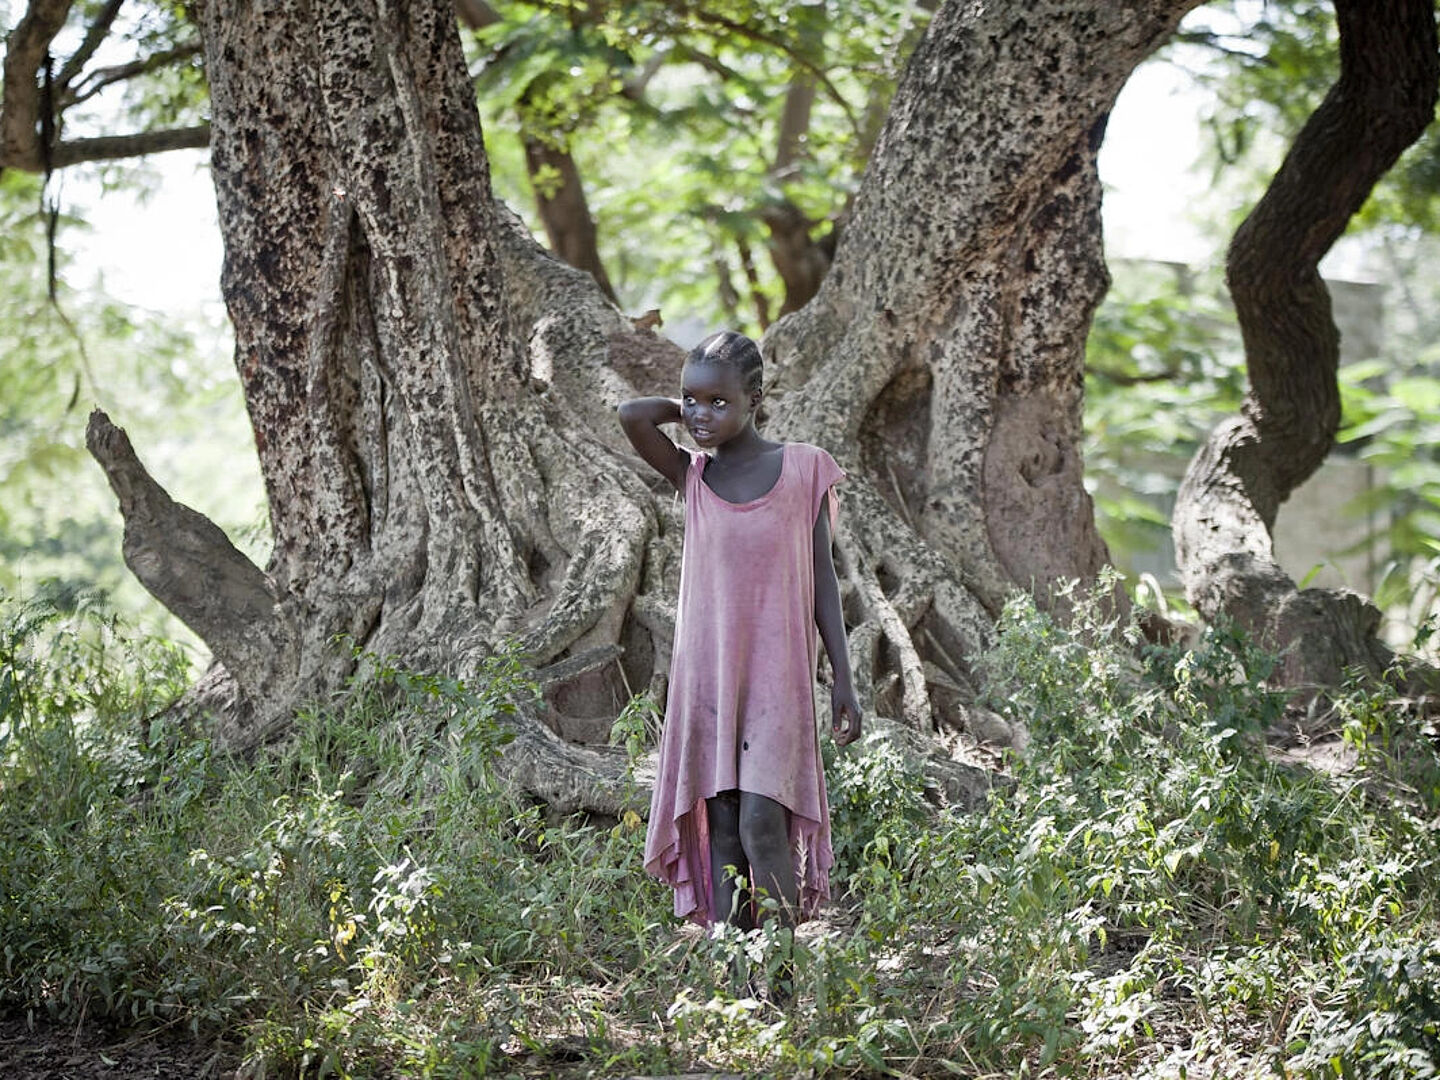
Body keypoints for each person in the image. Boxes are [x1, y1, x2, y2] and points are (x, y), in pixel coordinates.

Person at [617, 329, 862, 944]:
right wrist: (697, 405)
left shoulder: (804, 469)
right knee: (722, 828)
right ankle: (737, 978)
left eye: (719, 402)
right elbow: (632, 415)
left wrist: (845, 682)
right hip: (709, 680)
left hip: (778, 680)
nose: (700, 415)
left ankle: (776, 980)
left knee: (761, 825)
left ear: (757, 398)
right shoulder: (691, 475)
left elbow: (823, 582)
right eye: (691, 401)